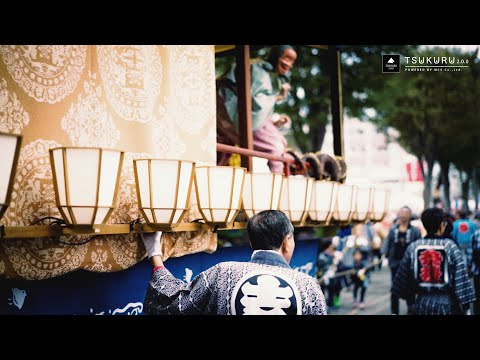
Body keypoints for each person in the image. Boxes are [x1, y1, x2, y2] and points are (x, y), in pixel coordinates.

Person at [141, 210, 326, 315]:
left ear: (252, 243)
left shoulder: (223, 273)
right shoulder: (308, 287)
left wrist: (154, 253)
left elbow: (174, 303)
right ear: (287, 242)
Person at [216, 45, 297, 173]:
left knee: (222, 154)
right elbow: (253, 105)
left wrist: (275, 123)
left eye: (292, 61)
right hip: (230, 113)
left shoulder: (270, 78)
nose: (289, 64)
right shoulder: (257, 70)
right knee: (276, 146)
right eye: (286, 58)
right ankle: (280, 187)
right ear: (276, 56)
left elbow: (259, 110)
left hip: (235, 117)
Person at [392, 208, 476, 315]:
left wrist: (411, 302)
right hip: (447, 305)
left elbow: (403, 279)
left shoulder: (413, 247)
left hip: (421, 304)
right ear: (441, 225)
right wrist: (466, 308)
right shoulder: (450, 247)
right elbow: (461, 279)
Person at [381, 206, 422, 315]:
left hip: (410, 265)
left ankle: (411, 310)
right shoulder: (393, 229)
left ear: (410, 215)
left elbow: (419, 246)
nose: (403, 215)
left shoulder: (415, 231)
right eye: (402, 212)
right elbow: (387, 243)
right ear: (399, 214)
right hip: (395, 263)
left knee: (410, 288)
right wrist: (383, 254)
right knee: (395, 289)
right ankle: (395, 312)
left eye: (406, 213)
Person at [451, 210, 476, 274]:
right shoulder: (471, 223)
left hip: (460, 243)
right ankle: (469, 269)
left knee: (461, 257)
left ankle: (463, 271)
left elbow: (453, 234)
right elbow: (475, 233)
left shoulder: (456, 223)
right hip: (469, 243)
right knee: (469, 257)